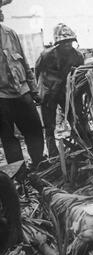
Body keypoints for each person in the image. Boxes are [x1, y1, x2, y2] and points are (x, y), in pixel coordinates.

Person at [0, 4, 44, 169]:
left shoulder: (10, 33)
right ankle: (20, 174)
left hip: (22, 92)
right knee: (8, 138)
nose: (1, 10)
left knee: (35, 131)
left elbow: (24, 63)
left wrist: (33, 90)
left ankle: (39, 167)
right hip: (1, 98)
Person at [35, 23, 84, 158]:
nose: (67, 44)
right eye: (64, 42)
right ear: (58, 42)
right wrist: (38, 91)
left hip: (66, 93)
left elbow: (81, 75)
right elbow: (37, 71)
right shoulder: (46, 55)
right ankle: (53, 154)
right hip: (49, 93)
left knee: (75, 119)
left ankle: (82, 145)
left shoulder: (77, 56)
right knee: (49, 126)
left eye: (70, 41)